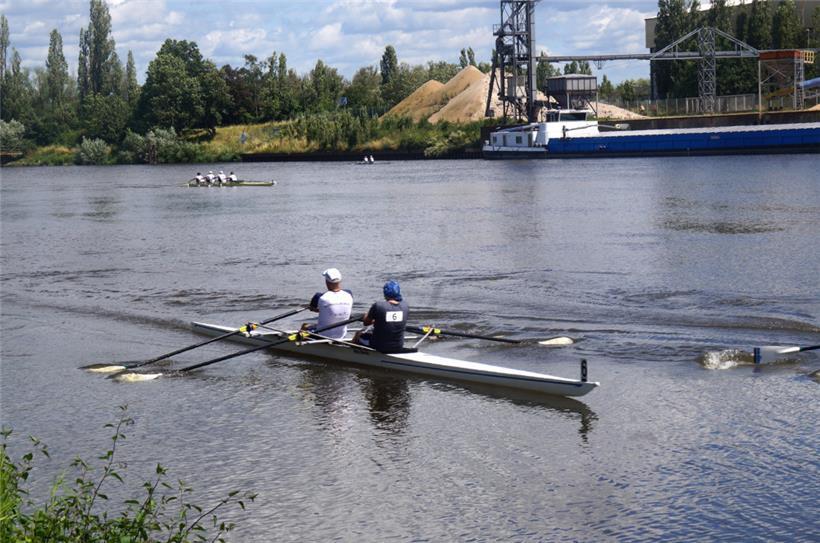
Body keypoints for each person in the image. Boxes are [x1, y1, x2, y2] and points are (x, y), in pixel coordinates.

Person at [354, 280, 408, 353]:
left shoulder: (378, 306)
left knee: (358, 334)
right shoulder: (405, 306)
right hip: (398, 346)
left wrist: (368, 315)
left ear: (385, 293)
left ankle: (350, 354)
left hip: (379, 346)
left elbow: (366, 323)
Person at [302, 268, 353, 340]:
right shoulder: (349, 294)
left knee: (305, 326)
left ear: (326, 282)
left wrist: (313, 308)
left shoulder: (319, 296)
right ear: (340, 280)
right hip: (342, 335)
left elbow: (312, 309)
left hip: (322, 335)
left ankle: (302, 345)